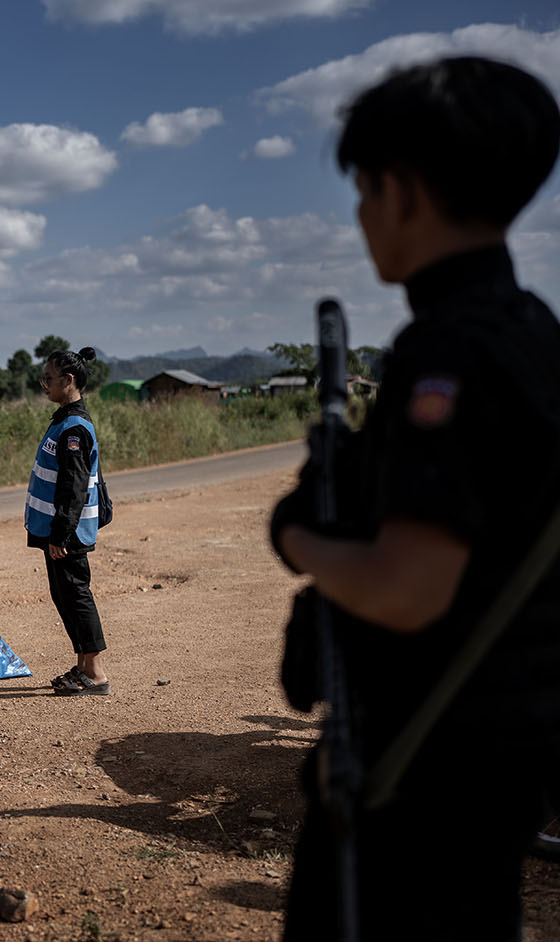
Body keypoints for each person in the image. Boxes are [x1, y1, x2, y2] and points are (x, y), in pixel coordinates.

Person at [272, 57, 560, 940]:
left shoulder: (449, 353)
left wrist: (301, 539)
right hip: (499, 762)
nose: (361, 215)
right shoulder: (534, 333)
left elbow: (406, 587)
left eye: (364, 188)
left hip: (421, 777)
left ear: (404, 190)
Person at [25, 348, 109, 697]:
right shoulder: (63, 419)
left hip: (66, 533)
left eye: (49, 378)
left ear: (69, 381)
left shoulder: (75, 428)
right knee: (63, 595)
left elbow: (72, 489)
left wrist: (60, 533)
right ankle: (82, 665)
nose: (44, 384)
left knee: (76, 595)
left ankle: (96, 673)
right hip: (55, 532)